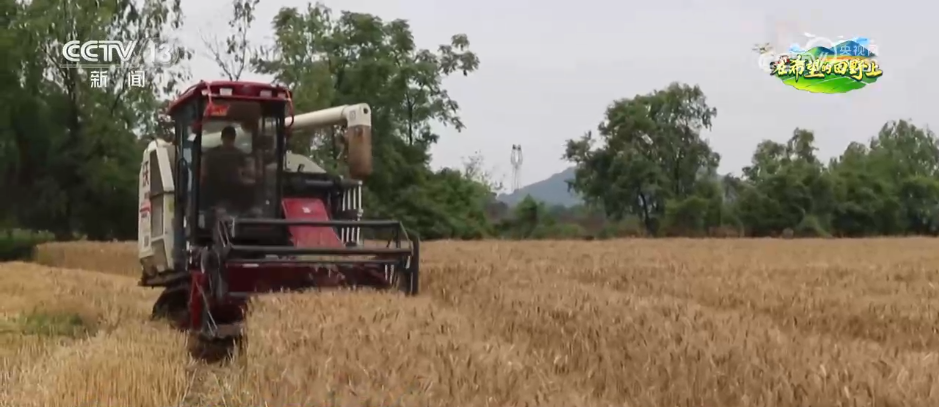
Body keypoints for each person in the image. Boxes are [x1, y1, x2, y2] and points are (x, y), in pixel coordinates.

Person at [201, 125, 256, 213]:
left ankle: (246, 212)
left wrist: (245, 174)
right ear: (222, 138)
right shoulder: (212, 154)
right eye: (227, 138)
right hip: (216, 187)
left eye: (230, 139)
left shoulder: (239, 154)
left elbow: (246, 170)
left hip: (233, 186)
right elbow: (204, 171)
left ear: (233, 140)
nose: (228, 141)